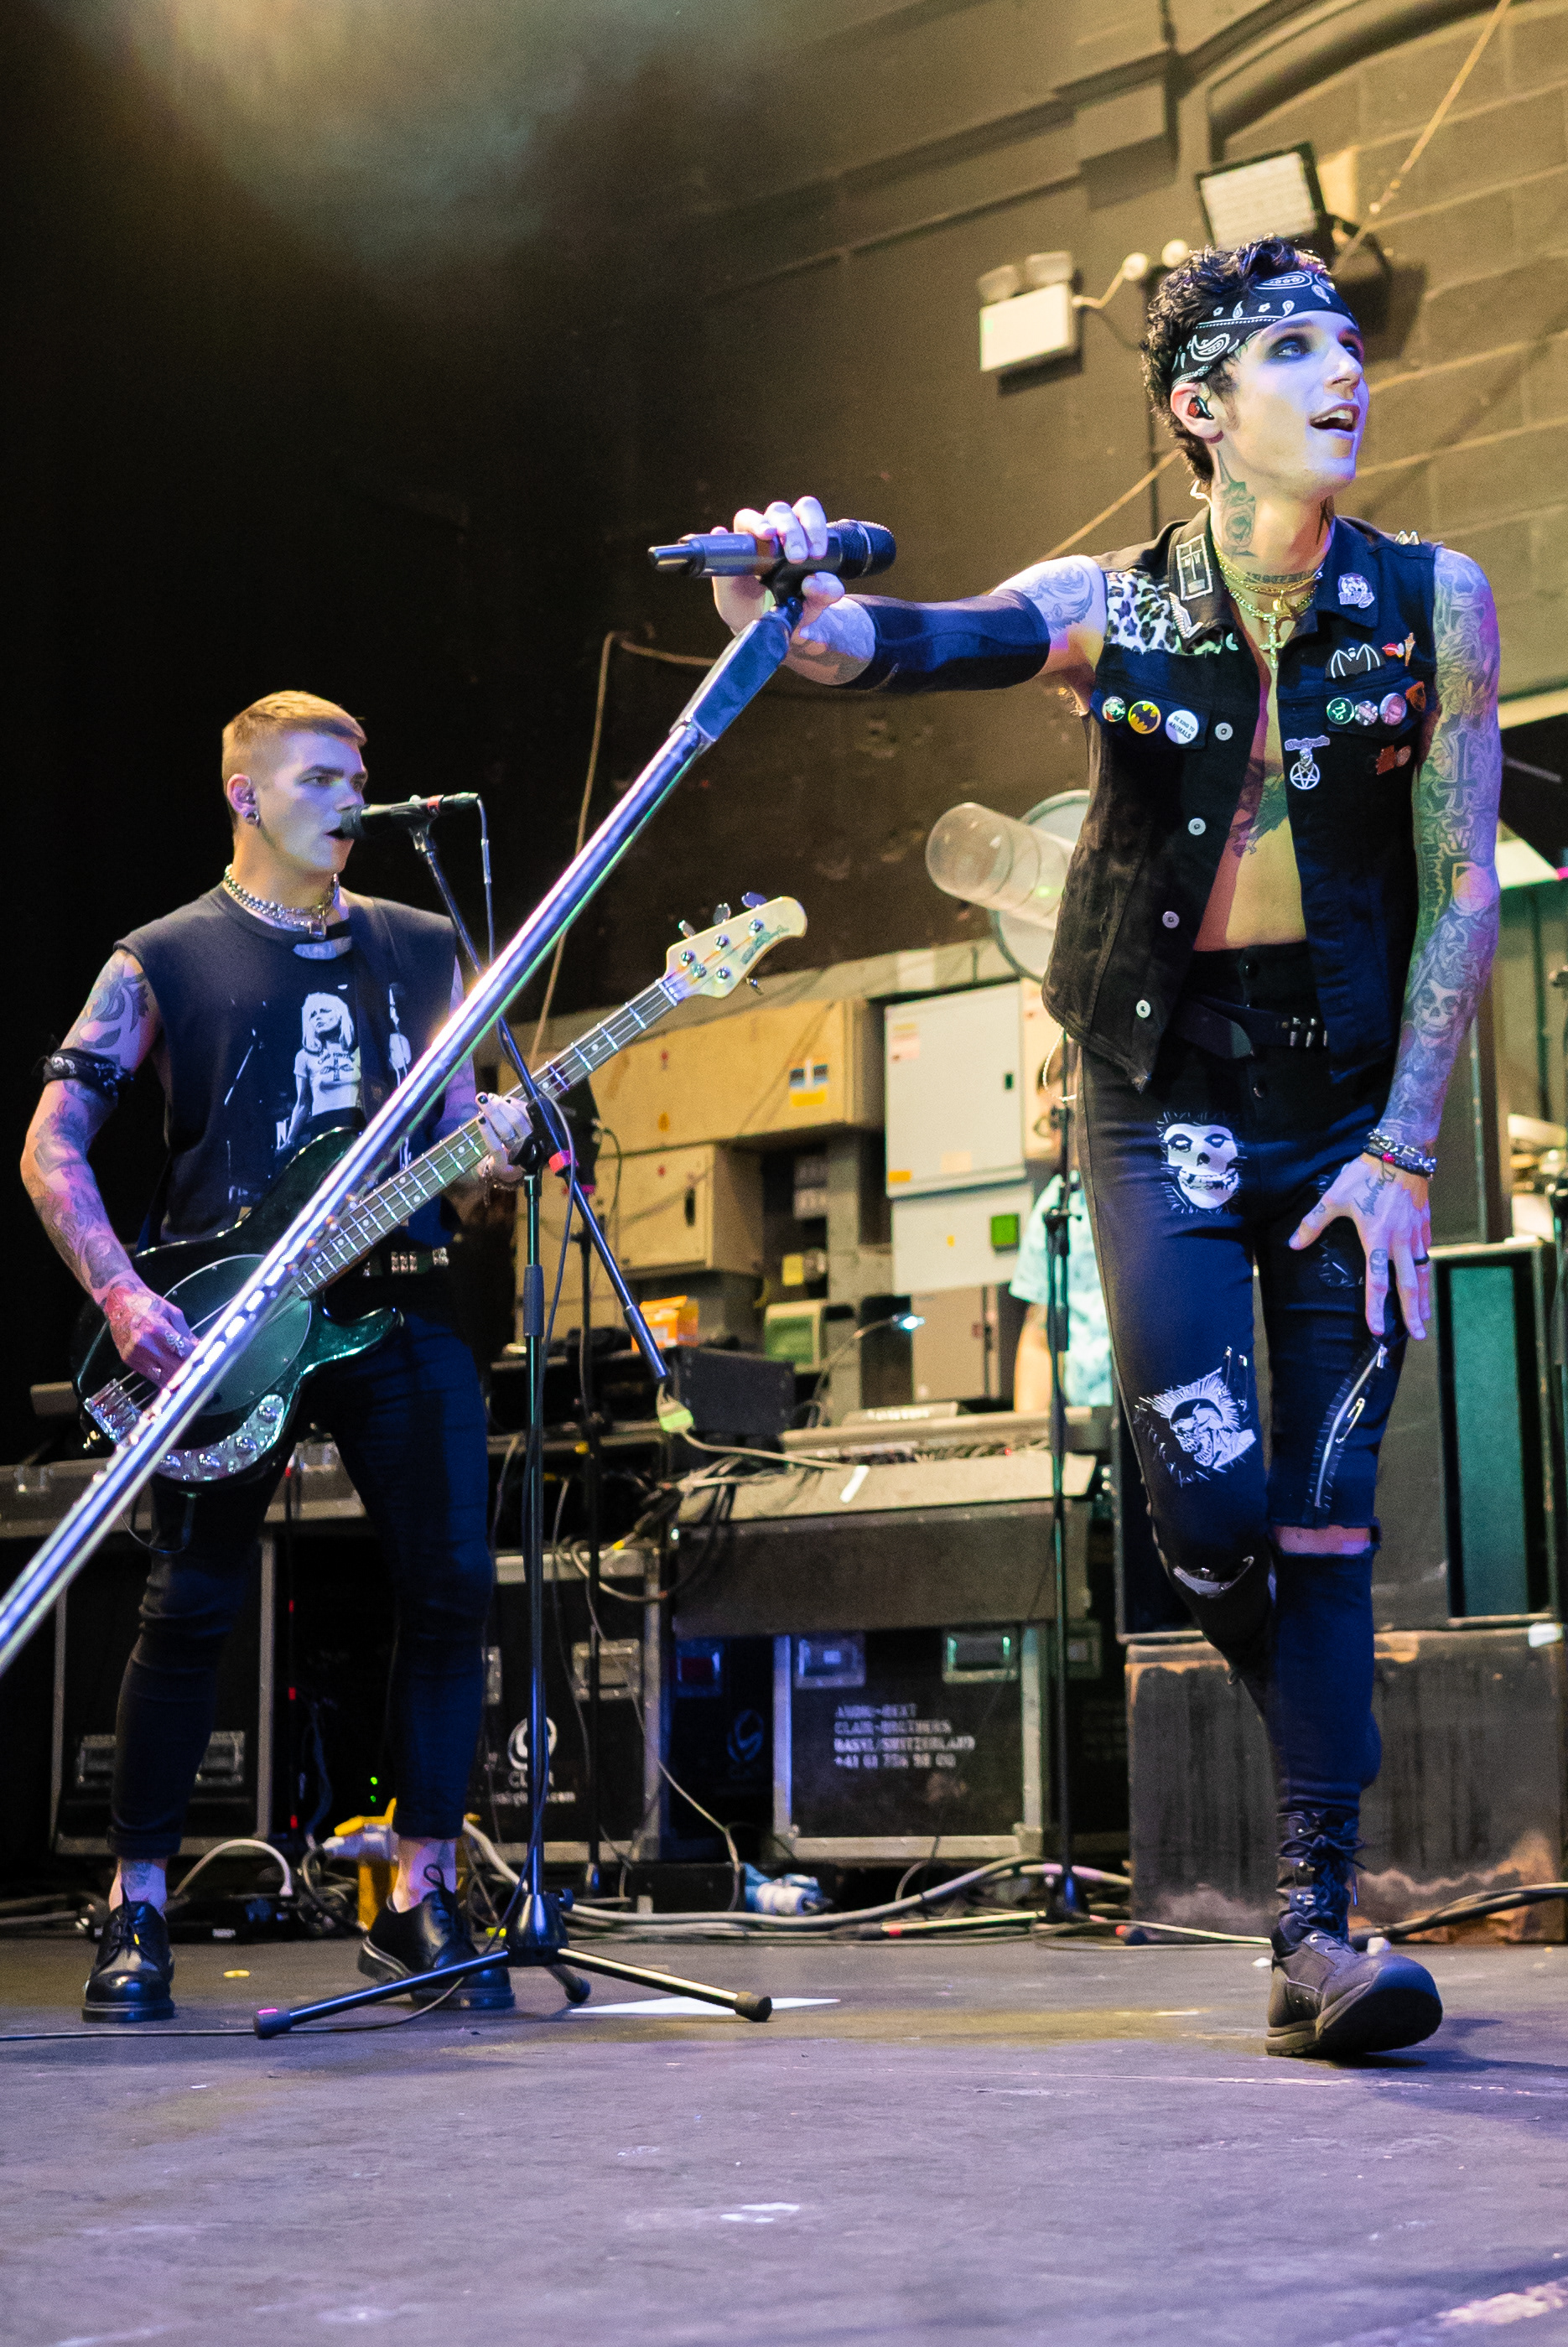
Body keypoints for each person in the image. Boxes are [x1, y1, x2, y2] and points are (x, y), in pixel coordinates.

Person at [711, 237, 1502, 2059]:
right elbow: (887, 645)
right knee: (1214, 1513)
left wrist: (1404, 1149)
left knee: (1327, 1512)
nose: (1341, 370)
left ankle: (1317, 1920)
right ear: (1198, 408)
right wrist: (789, 596)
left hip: (1347, 1111)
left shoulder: (1431, 599)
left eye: (1346, 339)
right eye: (1289, 347)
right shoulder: (1110, 602)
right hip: (1165, 1092)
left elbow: (1463, 879)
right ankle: (1314, 1751)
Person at [21, 691, 532, 2022]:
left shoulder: (425, 944)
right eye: (319, 777)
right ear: (245, 795)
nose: (351, 798)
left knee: (452, 1587)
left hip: (402, 1299)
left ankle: (417, 1890)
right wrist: (122, 1291)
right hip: (226, 1318)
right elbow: (51, 1142)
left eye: (360, 775)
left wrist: (498, 1155)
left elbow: (465, 1162)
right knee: (189, 1605)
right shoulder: (161, 957)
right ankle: (135, 1899)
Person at [1010, 1039, 1113, 1416]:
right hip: (1090, 1416)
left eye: (1061, 1119)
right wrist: (1028, 1438)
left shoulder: (1148, 1194)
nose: (1056, 1138)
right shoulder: (1055, 1204)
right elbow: (1039, 1338)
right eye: (1049, 1123)